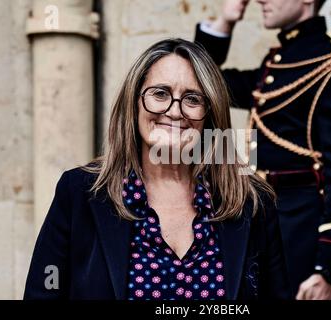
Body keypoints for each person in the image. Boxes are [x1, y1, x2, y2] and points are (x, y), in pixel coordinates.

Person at [24, 38, 290, 300]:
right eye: (160, 94)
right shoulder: (80, 191)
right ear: (134, 102)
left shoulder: (252, 202)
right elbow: (44, 291)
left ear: (210, 114)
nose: (175, 111)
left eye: (192, 99)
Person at [195, 0, 331, 299]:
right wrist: (225, 21)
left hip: (308, 237)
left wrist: (329, 270)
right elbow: (201, 81)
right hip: (268, 223)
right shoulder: (276, 63)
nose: (260, 1)